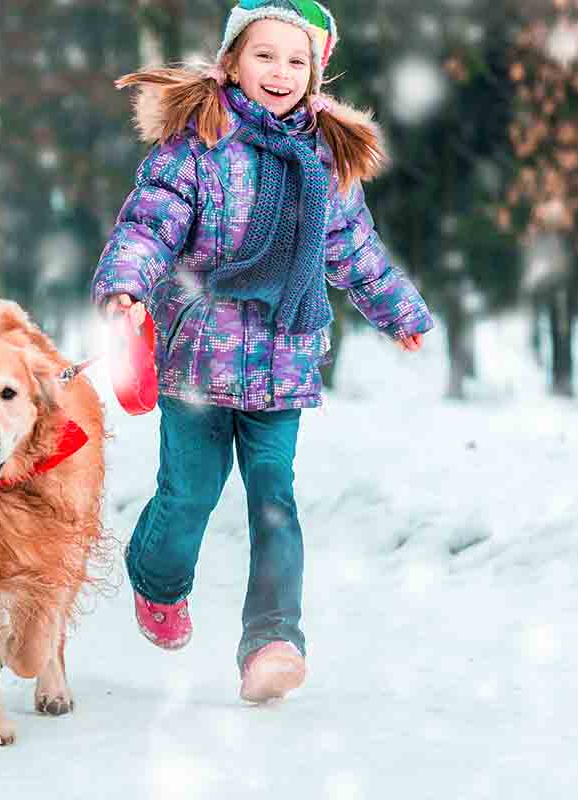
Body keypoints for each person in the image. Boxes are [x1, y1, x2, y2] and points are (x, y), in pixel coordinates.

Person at [91, 0, 433, 703]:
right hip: (197, 364)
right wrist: (126, 284)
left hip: (284, 363)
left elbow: (354, 251)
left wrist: (398, 309)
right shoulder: (196, 147)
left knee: (274, 497)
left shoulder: (324, 163)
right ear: (231, 63)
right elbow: (151, 225)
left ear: (316, 74)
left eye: (296, 59)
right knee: (188, 495)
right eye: (265, 55)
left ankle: (273, 641)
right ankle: (156, 576)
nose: (279, 71)